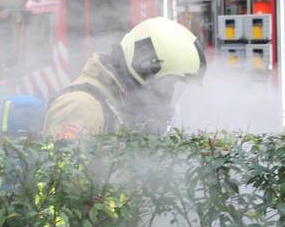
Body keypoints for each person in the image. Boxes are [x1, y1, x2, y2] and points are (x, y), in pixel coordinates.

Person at [42, 17, 206, 140]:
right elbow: (63, 181)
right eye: (168, 84)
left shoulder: (122, 103)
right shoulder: (80, 107)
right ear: (144, 67)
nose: (168, 94)